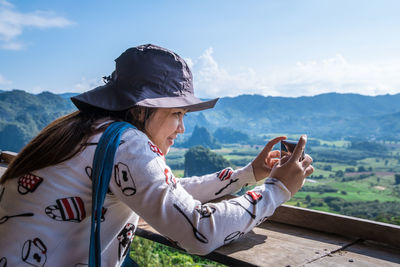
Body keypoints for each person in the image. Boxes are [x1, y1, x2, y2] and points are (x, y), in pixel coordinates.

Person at [0, 44, 313, 266]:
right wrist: (277, 190)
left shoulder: (87, 130)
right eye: (177, 113)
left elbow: (168, 192)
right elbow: (199, 233)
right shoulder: (127, 141)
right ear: (139, 109)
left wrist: (246, 175)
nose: (181, 129)